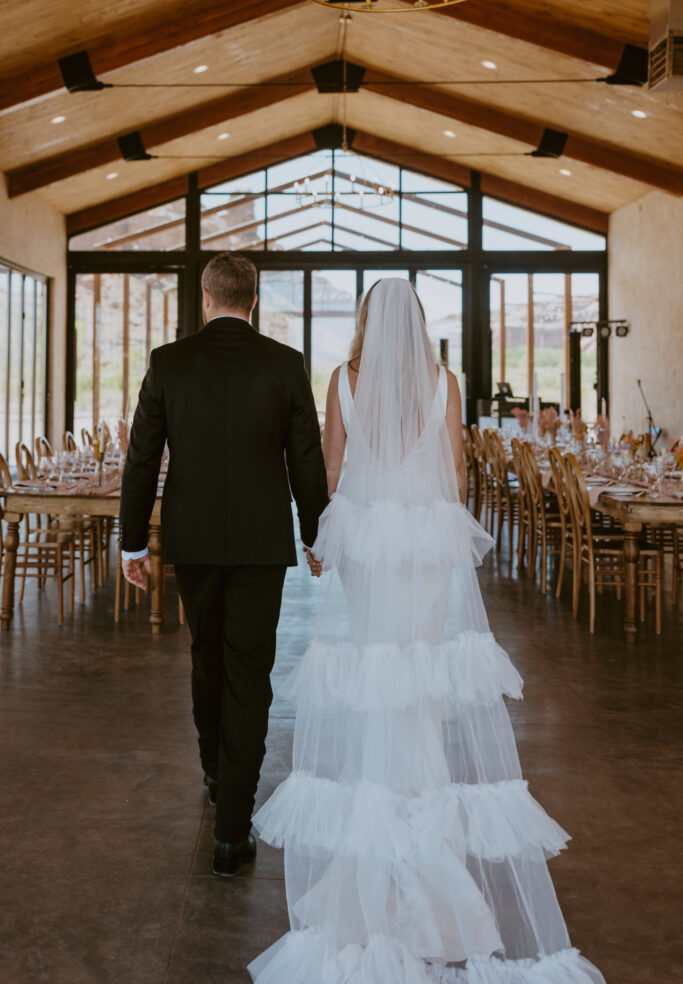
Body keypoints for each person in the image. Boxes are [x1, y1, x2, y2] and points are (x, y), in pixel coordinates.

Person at [248, 279, 605, 983]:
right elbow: (457, 473)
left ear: (365, 324)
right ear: (415, 324)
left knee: (373, 672)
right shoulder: (445, 380)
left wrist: (322, 541)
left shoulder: (342, 379)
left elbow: (328, 465)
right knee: (420, 681)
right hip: (421, 545)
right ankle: (427, 838)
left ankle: (378, 836)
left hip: (366, 543)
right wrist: (439, 532)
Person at [119, 252, 328, 878]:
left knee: (206, 655)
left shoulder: (168, 363)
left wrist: (134, 544)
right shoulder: (286, 365)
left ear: (206, 299)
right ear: (253, 300)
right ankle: (233, 831)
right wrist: (318, 536)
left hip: (196, 542)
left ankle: (215, 772)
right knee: (249, 671)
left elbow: (140, 460)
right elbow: (308, 462)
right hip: (263, 545)